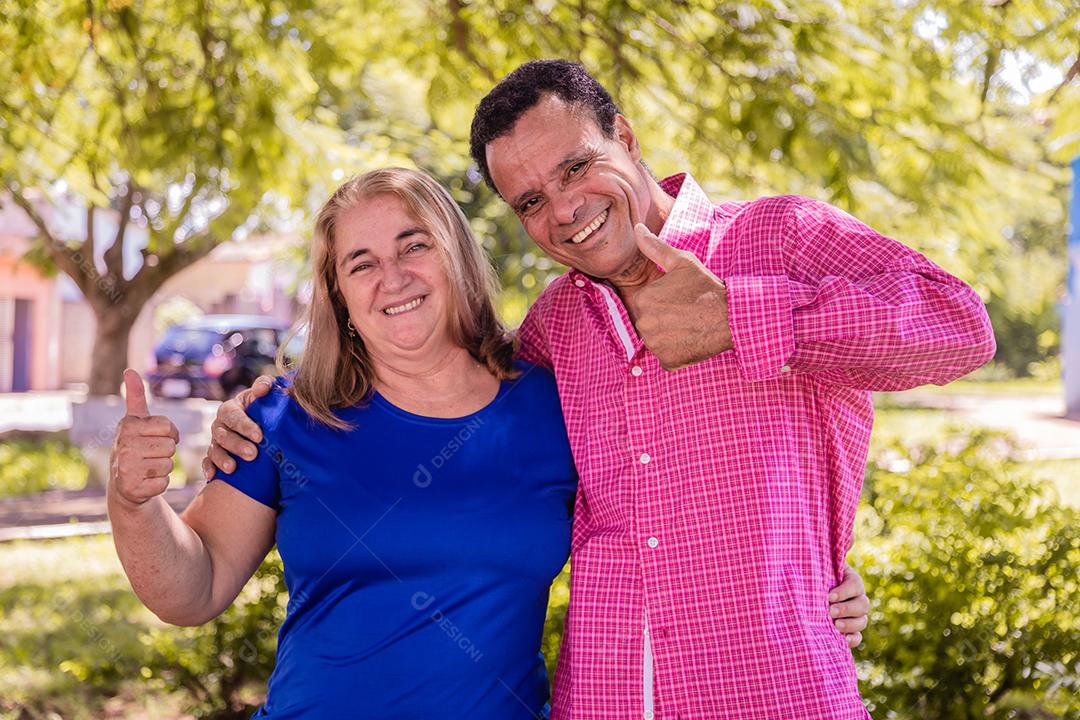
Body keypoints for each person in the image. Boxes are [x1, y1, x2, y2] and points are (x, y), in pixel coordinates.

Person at [201, 61, 928, 716]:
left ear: (627, 137)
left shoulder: (777, 238)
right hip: (603, 697)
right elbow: (452, 405)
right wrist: (269, 412)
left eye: (577, 167)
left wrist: (742, 319)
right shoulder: (557, 326)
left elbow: (956, 325)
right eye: (530, 201)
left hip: (771, 692)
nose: (564, 208)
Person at [110, 168, 579, 718]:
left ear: (457, 254)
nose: (394, 277)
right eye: (362, 264)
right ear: (340, 296)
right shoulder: (284, 416)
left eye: (415, 245)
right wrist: (134, 503)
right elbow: (195, 590)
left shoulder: (555, 405)